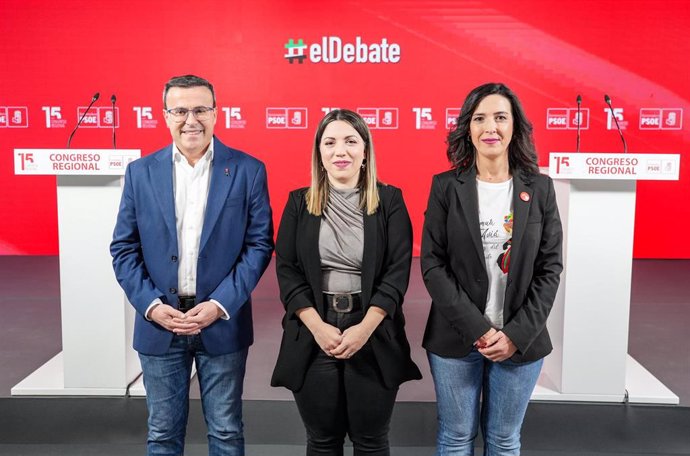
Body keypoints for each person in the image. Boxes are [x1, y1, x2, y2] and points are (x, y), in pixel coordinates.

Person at [110, 74, 274, 456]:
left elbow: (259, 245)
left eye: (200, 109)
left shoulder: (248, 170)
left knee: (227, 432)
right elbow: (123, 248)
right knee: (163, 436)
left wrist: (219, 305)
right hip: (160, 323)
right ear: (165, 116)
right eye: (180, 110)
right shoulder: (140, 173)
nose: (191, 120)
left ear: (216, 114)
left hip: (221, 323)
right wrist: (152, 306)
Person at [421, 82, 563, 456]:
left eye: (500, 117)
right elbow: (433, 265)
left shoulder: (541, 189)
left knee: (504, 440)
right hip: (455, 338)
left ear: (514, 126)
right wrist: (479, 329)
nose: (491, 128)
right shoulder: (446, 187)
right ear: (468, 127)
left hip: (521, 340)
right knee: (455, 439)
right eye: (480, 118)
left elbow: (550, 268)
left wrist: (515, 334)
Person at [271, 109, 422, 455]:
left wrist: (365, 328)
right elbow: (288, 271)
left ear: (365, 151)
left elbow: (397, 273)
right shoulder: (298, 202)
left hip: (372, 330)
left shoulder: (390, 201)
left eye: (351, 141)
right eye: (330, 142)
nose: (341, 151)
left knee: (370, 442)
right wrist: (317, 327)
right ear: (319, 154)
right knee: (322, 442)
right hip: (313, 330)